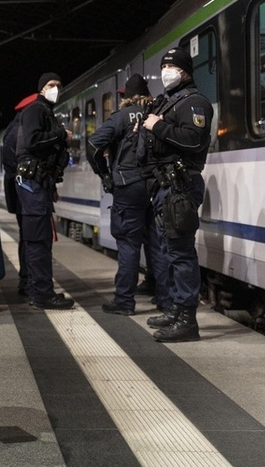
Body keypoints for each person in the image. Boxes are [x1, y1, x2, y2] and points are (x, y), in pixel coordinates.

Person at [139, 47, 213, 342]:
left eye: (173, 65)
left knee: (181, 253)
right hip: (166, 188)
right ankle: (173, 307)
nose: (167, 70)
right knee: (170, 251)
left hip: (181, 187)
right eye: (164, 65)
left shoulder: (195, 102)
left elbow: (194, 141)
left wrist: (158, 126)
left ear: (185, 70)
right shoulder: (169, 101)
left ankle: (187, 320)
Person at [87, 74, 169, 316]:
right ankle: (164, 299)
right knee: (155, 242)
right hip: (155, 186)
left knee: (128, 243)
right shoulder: (157, 112)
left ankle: (124, 301)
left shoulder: (122, 116)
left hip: (128, 186)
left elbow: (93, 144)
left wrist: (104, 174)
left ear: (125, 97)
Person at [15, 73, 75, 310]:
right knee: (39, 239)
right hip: (32, 184)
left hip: (38, 184)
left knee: (38, 239)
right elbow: (32, 141)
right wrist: (61, 134)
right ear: (41, 89)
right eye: (51, 86)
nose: (56, 89)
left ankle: (37, 288)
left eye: (59, 86)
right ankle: (42, 294)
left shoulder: (44, 111)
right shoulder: (35, 110)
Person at [0, 93, 38, 297]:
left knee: (26, 236)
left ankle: (27, 280)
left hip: (19, 190)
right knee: (30, 237)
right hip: (25, 191)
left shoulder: (12, 130)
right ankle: (28, 281)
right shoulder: (21, 131)